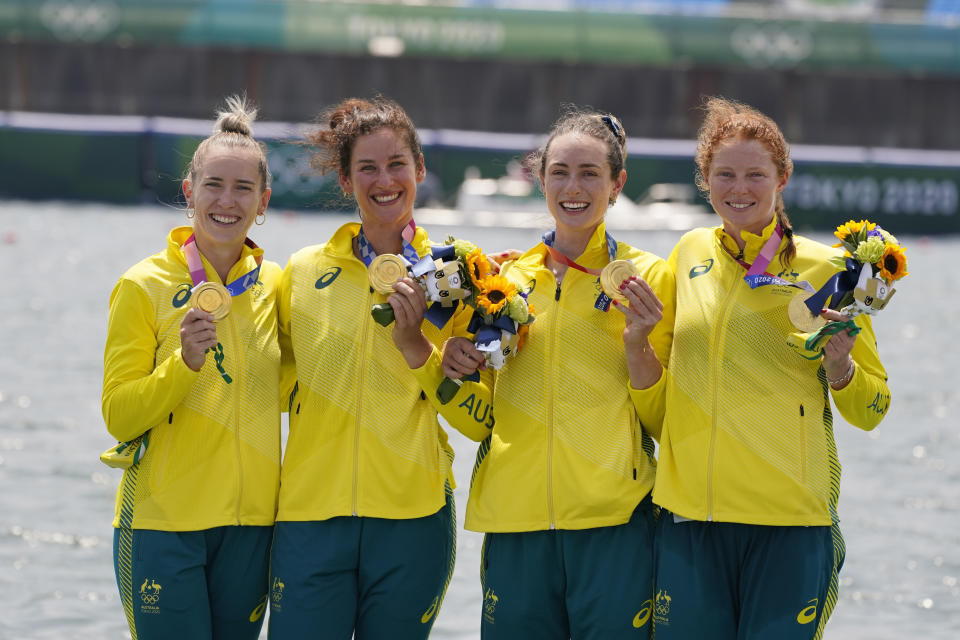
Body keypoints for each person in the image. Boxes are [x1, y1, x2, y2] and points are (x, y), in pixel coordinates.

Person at [650, 97, 892, 639]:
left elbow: (874, 408)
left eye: (756, 174)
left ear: (783, 177)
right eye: (725, 174)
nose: (740, 188)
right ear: (704, 180)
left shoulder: (829, 268)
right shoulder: (687, 253)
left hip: (789, 525)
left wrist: (842, 368)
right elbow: (658, 376)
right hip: (691, 521)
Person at [441, 107, 676, 639]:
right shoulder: (499, 280)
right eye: (561, 172)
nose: (574, 187)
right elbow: (481, 422)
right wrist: (453, 370)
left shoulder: (650, 279)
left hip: (614, 526)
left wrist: (638, 346)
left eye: (590, 173)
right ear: (539, 178)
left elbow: (666, 420)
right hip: (516, 524)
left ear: (617, 185)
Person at [268, 97, 489, 639]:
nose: (383, 180)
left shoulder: (463, 274)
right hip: (309, 517)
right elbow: (266, 385)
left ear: (420, 169)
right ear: (346, 180)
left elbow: (480, 423)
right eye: (366, 167)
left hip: (412, 521)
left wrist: (422, 352)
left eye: (396, 165)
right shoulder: (301, 272)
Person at [101, 96, 280, 639]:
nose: (227, 202)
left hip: (250, 530)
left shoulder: (277, 286)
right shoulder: (143, 285)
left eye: (243, 189)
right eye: (214, 186)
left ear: (263, 201)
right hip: (162, 526)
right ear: (189, 192)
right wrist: (185, 363)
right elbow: (119, 416)